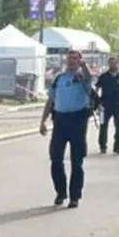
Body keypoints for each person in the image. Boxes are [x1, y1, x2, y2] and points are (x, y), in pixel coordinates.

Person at [39, 50, 95, 208]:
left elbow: (89, 78)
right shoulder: (59, 78)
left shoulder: (82, 77)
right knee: (55, 158)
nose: (71, 61)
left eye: (75, 59)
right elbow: (51, 101)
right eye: (69, 58)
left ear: (79, 61)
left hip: (78, 120)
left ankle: (74, 196)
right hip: (60, 121)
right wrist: (43, 121)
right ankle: (61, 192)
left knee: (77, 161)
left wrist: (84, 66)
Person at [93, 56, 119, 155]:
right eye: (111, 63)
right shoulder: (103, 77)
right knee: (103, 126)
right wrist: (95, 102)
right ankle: (103, 146)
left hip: (117, 105)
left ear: (118, 64)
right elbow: (97, 89)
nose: (113, 65)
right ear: (109, 64)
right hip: (104, 105)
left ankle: (117, 146)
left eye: (115, 63)